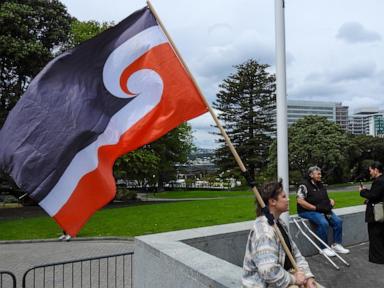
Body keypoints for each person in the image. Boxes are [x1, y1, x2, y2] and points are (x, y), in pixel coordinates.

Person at [242, 180, 320, 288]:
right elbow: (268, 271)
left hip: (283, 277)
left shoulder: (279, 223)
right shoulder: (264, 231)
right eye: (284, 197)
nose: (288, 199)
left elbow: (295, 254)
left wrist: (307, 276)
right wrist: (294, 279)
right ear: (272, 201)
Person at [296, 166, 349, 257]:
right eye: (318, 174)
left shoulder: (321, 184)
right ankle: (324, 248)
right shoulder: (304, 185)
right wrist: (316, 208)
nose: (320, 176)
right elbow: (300, 201)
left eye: (320, 174)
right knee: (323, 222)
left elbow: (324, 198)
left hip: (322, 210)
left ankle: (336, 245)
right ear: (311, 175)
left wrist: (330, 203)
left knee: (338, 221)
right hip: (307, 211)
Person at [359, 161, 384, 264]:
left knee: (375, 235)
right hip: (380, 211)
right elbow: (378, 194)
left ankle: (378, 258)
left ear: (376, 170)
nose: (370, 173)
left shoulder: (379, 181)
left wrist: (362, 191)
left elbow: (373, 195)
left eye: (370, 170)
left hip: (377, 213)